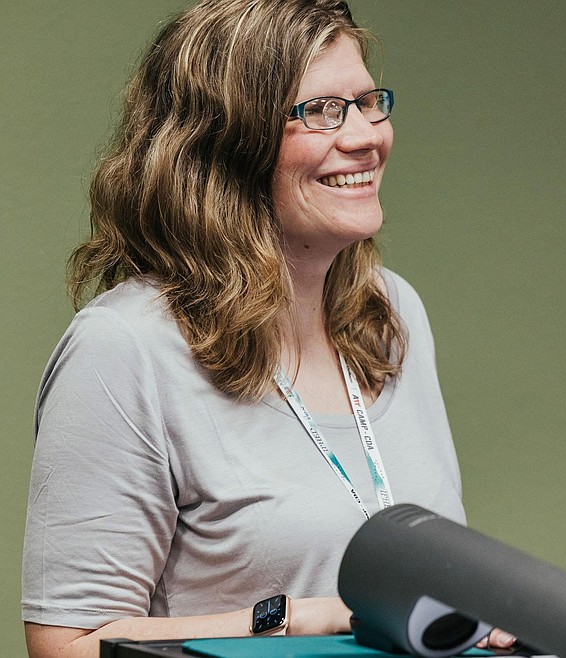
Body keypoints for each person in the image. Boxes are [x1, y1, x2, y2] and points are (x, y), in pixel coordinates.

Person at [22, 1, 516, 656]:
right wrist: (292, 617)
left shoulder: (390, 313)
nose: (366, 135)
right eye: (323, 111)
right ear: (226, 146)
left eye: (368, 103)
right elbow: (69, 644)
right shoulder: (124, 347)